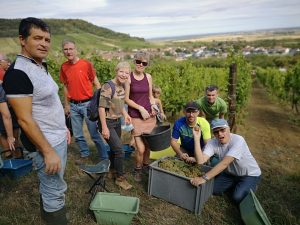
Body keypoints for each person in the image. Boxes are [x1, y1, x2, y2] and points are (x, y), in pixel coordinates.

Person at [3, 17, 69, 224]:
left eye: (47, 40)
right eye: (37, 38)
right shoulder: (17, 74)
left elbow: (48, 104)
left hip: (56, 137)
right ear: (22, 40)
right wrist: (48, 152)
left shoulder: (39, 65)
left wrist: (64, 128)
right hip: (45, 144)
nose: (44, 44)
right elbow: (24, 120)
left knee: (52, 187)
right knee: (55, 191)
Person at [190, 119, 261, 204]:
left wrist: (203, 178)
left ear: (229, 128)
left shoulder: (238, 140)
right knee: (213, 190)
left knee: (237, 198)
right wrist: (197, 139)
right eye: (216, 132)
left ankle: (250, 184)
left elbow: (225, 163)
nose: (220, 134)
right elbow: (201, 161)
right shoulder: (212, 143)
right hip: (230, 174)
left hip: (249, 174)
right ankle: (238, 185)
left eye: (222, 130)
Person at [60, 40, 108, 164]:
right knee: (78, 134)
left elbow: (97, 84)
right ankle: (85, 153)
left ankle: (104, 157)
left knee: (94, 134)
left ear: (76, 50)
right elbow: (65, 86)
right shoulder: (64, 67)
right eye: (66, 49)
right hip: (73, 105)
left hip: (88, 104)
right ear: (63, 51)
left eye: (71, 49)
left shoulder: (86, 64)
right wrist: (66, 104)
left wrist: (100, 103)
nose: (68, 51)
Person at [98, 61, 133, 190]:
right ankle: (120, 178)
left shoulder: (121, 86)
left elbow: (120, 103)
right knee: (119, 150)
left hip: (117, 121)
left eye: (126, 73)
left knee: (114, 149)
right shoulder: (108, 86)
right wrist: (104, 127)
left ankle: (112, 170)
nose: (124, 75)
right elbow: (101, 108)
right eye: (121, 71)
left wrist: (125, 114)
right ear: (116, 71)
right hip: (107, 122)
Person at [125, 51, 157, 182]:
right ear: (134, 62)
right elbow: (126, 99)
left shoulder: (148, 77)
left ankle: (145, 166)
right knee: (141, 149)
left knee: (148, 146)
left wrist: (154, 107)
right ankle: (137, 169)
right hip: (136, 117)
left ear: (147, 64)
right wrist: (140, 108)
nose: (140, 64)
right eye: (138, 61)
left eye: (144, 63)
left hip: (149, 117)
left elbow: (150, 96)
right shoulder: (129, 78)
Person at [0, 85, 23, 159]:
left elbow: (6, 116)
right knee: (9, 137)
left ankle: (15, 160)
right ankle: (13, 160)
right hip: (9, 109)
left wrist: (10, 137)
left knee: (10, 138)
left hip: (8, 110)